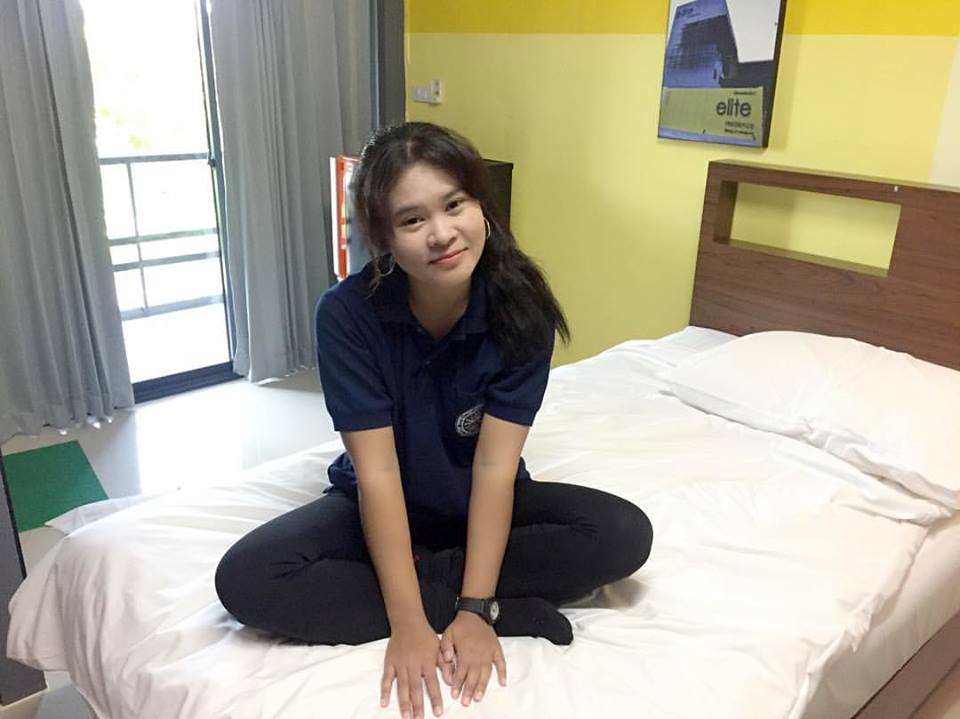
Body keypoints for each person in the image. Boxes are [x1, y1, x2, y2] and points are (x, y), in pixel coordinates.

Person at [215, 122, 653, 719]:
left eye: (454, 205)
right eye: (412, 219)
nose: (442, 233)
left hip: (480, 501)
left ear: (481, 206)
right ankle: (501, 606)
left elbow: (495, 470)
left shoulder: (521, 306)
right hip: (383, 500)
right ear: (384, 238)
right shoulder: (347, 315)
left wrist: (473, 609)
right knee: (247, 578)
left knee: (623, 533)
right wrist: (412, 621)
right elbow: (377, 477)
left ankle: (450, 586)